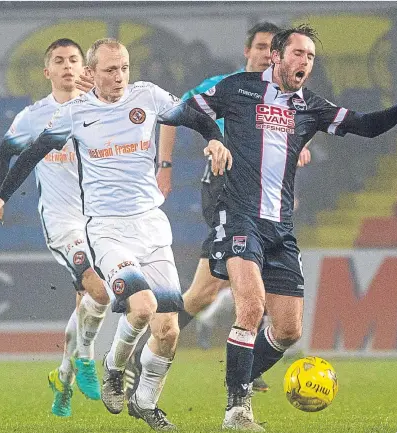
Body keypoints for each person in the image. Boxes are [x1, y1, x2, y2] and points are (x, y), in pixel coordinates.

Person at [0, 38, 232, 432]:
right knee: (143, 307)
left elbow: (192, 114)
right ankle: (113, 366)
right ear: (92, 74)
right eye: (110, 70)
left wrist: (214, 137)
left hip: (151, 224)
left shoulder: (147, 97)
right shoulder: (74, 112)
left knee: (167, 330)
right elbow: (29, 155)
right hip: (107, 229)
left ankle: (145, 402)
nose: (119, 77)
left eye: (124, 68)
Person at [184, 24, 397, 432]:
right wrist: (213, 138)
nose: (304, 62)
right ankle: (237, 410)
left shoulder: (310, 105)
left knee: (288, 330)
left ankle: (241, 374)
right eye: (297, 53)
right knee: (251, 308)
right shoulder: (240, 88)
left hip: (280, 228)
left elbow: (365, 125)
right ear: (276, 56)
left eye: (309, 57)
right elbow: (194, 108)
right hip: (239, 216)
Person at [127, 22, 311, 395]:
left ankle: (152, 348)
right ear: (249, 52)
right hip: (224, 189)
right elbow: (175, 113)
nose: (264, 54)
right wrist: (164, 166)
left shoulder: (286, 96)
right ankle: (245, 363)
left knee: (203, 292)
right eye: (259, 47)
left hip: (263, 199)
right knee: (237, 273)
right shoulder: (228, 86)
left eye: (270, 48)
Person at [0, 38, 112, 418]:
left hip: (102, 219)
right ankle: (89, 360)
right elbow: (3, 156)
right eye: (59, 60)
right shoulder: (33, 116)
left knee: (86, 308)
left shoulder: (99, 109)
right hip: (61, 220)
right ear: (48, 72)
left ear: (84, 67)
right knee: (98, 290)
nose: (68, 66)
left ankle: (64, 380)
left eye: (74, 59)